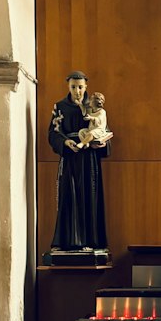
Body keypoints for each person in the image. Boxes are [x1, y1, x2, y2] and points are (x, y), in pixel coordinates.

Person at [48, 71, 110, 251]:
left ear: (86, 87)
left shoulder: (95, 107)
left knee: (90, 197)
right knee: (68, 197)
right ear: (68, 87)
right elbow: (53, 133)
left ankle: (92, 242)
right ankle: (66, 242)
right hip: (70, 158)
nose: (77, 91)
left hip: (89, 159)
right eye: (73, 87)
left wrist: (99, 144)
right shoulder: (60, 107)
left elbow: (104, 131)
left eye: (80, 87)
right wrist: (65, 142)